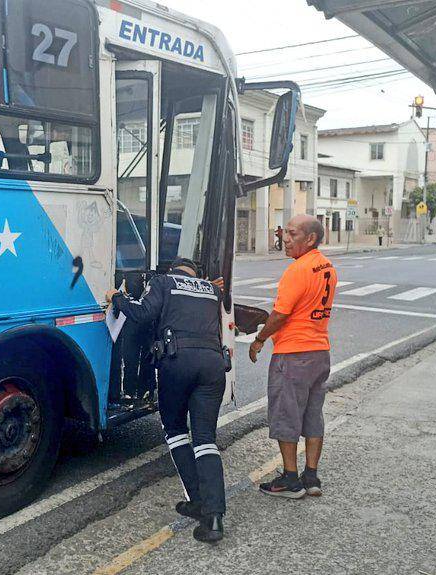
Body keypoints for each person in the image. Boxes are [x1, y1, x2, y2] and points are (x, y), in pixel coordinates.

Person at [106, 258, 228, 543]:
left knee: (175, 431)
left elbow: (142, 313)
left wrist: (117, 298)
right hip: (213, 366)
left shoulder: (164, 282)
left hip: (178, 362)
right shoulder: (212, 290)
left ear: (172, 271)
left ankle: (196, 500)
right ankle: (214, 518)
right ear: (196, 274)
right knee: (205, 439)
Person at [249, 215, 336, 499]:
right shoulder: (327, 267)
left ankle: (290, 479)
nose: (285, 238)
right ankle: (311, 477)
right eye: (284, 232)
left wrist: (260, 339)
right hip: (319, 351)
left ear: (310, 239)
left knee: (286, 414)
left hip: (293, 352)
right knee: (313, 415)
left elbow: (280, 314)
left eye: (292, 233)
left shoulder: (297, 270)